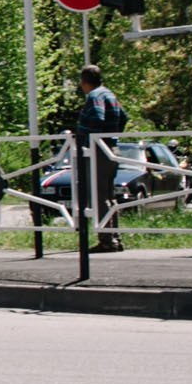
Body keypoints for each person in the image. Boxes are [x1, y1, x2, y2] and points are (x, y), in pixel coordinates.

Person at [72, 65, 128, 252]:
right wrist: (114, 134)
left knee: (99, 195)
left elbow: (97, 117)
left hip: (99, 149)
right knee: (109, 194)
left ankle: (106, 240)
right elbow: (124, 116)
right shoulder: (109, 94)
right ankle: (115, 237)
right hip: (111, 147)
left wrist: (89, 138)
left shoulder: (95, 96)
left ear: (84, 82)